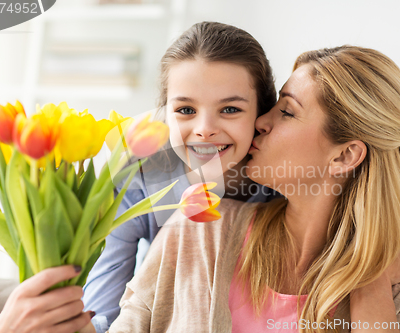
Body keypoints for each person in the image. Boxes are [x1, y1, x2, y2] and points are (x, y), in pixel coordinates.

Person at [101, 46, 400, 333]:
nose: (262, 122)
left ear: (344, 155)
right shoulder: (199, 229)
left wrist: (370, 276)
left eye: (288, 112)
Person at [79, 21, 281, 333]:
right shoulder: (139, 177)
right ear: (165, 112)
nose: (204, 128)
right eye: (186, 110)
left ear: (262, 113)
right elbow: (102, 308)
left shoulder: (282, 181)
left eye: (229, 110)